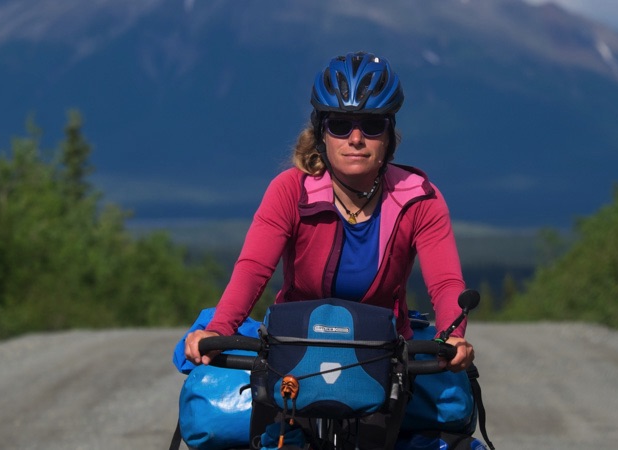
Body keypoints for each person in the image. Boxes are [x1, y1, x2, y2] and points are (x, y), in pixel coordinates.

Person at [184, 51, 474, 373]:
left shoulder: (420, 199)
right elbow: (253, 270)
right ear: (322, 133)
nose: (355, 139)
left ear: (389, 136)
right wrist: (220, 328)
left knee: (446, 402)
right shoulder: (290, 191)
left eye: (372, 126)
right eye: (339, 125)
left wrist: (451, 335)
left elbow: (446, 283)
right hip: (294, 349)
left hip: (386, 358)